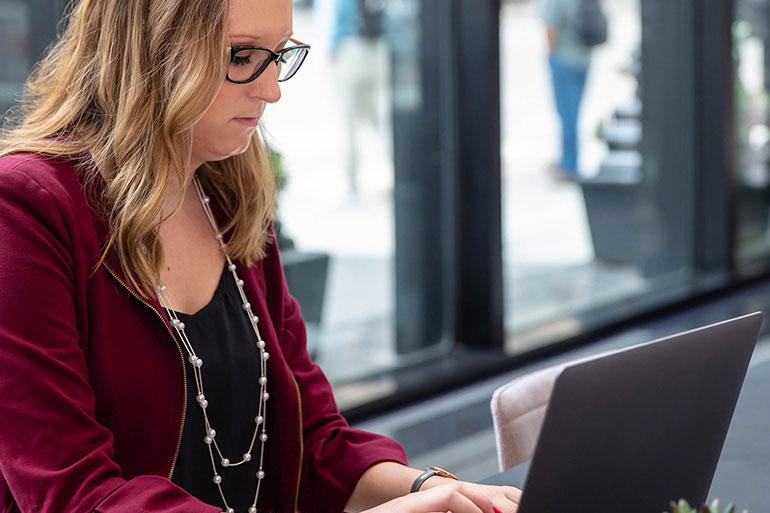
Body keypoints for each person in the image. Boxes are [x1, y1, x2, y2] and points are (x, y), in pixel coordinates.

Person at [0, 0, 521, 512]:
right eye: (241, 57)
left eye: (279, 55)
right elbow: (73, 495)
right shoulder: (26, 208)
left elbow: (312, 437)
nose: (271, 91)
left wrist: (433, 489)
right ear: (148, 49)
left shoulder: (228, 194)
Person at [329, 0, 390, 195]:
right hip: (378, 53)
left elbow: (338, 23)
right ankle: (395, 174)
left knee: (350, 125)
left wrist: (332, 53)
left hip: (352, 52)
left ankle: (352, 183)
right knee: (381, 121)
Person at [540, 0, 598, 181]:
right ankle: (569, 160)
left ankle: (568, 164)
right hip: (584, 60)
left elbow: (551, 28)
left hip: (564, 60)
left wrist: (551, 57)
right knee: (573, 113)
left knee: (567, 115)